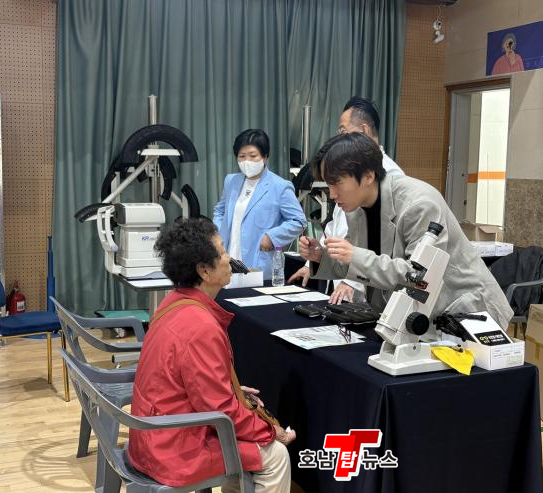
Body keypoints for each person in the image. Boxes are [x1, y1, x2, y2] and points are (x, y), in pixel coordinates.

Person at [128, 218, 295, 493]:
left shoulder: (173, 302)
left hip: (153, 435)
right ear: (204, 270)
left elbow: (196, 386)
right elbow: (221, 411)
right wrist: (271, 431)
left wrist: (232, 392)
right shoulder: (200, 326)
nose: (229, 257)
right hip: (173, 448)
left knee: (246, 432)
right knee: (275, 456)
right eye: (223, 251)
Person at [298, 133, 513, 330]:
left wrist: (355, 256)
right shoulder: (356, 208)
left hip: (466, 312)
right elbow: (355, 266)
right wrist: (321, 256)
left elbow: (419, 276)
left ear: (368, 176)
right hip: (415, 318)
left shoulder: (419, 204)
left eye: (337, 183)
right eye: (328, 185)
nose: (332, 194)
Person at [288, 97, 404, 303]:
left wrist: (352, 281)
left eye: (342, 131)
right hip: (342, 270)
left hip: (367, 285)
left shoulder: (389, 174)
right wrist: (314, 259)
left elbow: (382, 247)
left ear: (364, 131)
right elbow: (335, 226)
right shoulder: (348, 170)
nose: (338, 139)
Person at [213, 129, 306, 277]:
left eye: (253, 156)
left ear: (265, 157)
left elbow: (299, 221)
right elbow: (220, 210)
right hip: (227, 260)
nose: (247, 161)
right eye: (242, 156)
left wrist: (272, 237)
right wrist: (219, 234)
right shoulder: (231, 181)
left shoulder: (280, 186)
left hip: (258, 263)